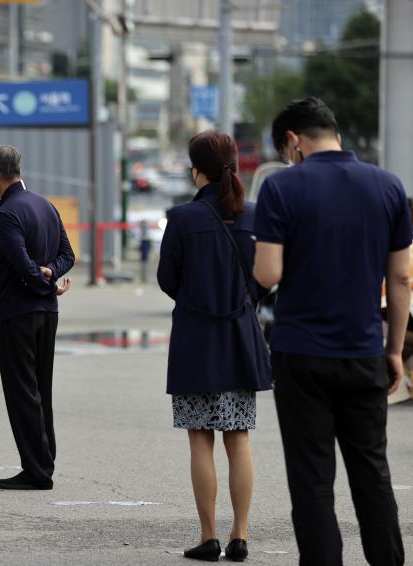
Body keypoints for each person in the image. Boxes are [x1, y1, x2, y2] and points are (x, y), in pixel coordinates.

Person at [253, 97, 409, 566]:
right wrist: (394, 350)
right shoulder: (388, 186)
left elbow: (267, 272)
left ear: (293, 142)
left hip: (301, 354)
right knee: (372, 473)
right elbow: (401, 278)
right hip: (364, 352)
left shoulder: (282, 188)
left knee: (312, 479)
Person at [157, 131, 271, 562]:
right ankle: (240, 535)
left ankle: (208, 537)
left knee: (200, 439)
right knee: (238, 439)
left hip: (195, 340)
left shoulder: (184, 218)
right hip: (241, 337)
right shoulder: (255, 215)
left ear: (197, 168)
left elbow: (168, 278)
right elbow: (265, 277)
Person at [0, 145, 74, 490]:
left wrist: (42, 283)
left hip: (17, 311)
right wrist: (51, 275)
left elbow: (20, 262)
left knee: (22, 391)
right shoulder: (44, 204)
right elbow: (68, 253)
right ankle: (43, 460)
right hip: (46, 314)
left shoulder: (8, 213)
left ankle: (36, 469)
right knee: (41, 388)